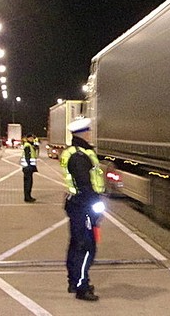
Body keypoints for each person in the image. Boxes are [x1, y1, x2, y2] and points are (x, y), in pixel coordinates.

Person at [60, 117, 105, 301]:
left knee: (76, 244)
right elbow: (85, 184)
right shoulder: (79, 156)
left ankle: (74, 281)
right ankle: (82, 286)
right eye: (89, 131)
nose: (90, 134)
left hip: (77, 204)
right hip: (84, 205)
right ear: (83, 134)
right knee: (86, 247)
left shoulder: (77, 152)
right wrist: (95, 212)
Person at [21, 134, 39, 203]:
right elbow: (27, 156)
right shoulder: (27, 146)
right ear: (28, 138)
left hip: (27, 167)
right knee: (28, 183)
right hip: (28, 167)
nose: (32, 139)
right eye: (30, 138)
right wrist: (29, 165)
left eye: (32, 138)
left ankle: (28, 196)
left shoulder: (30, 145)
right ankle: (27, 197)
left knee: (28, 182)